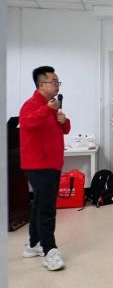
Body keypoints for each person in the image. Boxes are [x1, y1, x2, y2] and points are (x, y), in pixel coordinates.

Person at [20, 66, 71, 271]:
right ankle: (50, 251)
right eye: (54, 82)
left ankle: (33, 244)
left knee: (40, 205)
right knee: (47, 208)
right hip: (39, 164)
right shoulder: (31, 105)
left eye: (58, 82)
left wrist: (63, 120)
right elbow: (27, 123)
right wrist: (48, 110)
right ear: (41, 85)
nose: (57, 85)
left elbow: (65, 129)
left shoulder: (52, 105)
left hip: (52, 164)